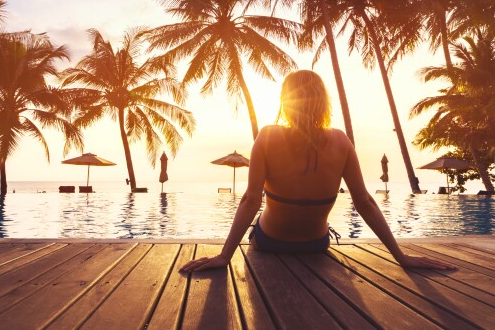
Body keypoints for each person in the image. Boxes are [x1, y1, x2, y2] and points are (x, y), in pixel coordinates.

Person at [180, 70, 455, 273]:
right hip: (316, 244)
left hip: (270, 241)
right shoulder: (341, 140)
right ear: (323, 102)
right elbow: (365, 202)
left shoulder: (267, 136)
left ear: (286, 102)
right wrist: (401, 257)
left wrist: (224, 257)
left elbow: (251, 200)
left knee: (263, 213)